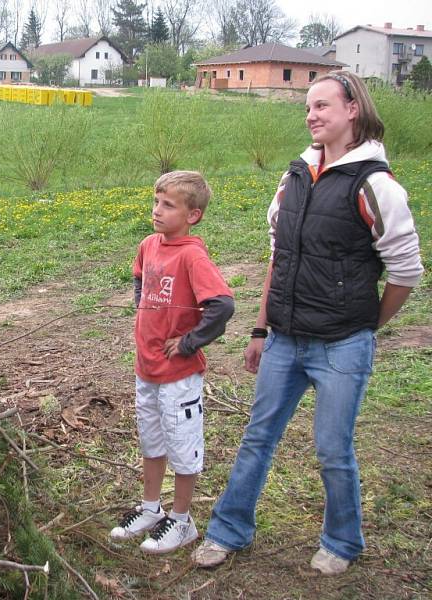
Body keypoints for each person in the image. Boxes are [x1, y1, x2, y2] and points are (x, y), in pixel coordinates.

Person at [191, 71, 423, 574]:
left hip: (342, 345)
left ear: (352, 109)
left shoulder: (376, 186)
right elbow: (279, 256)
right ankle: (228, 530)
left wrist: (367, 325)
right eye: (308, 108)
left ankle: (342, 541)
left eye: (322, 106)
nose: (312, 115)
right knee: (257, 436)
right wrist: (259, 329)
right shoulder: (294, 176)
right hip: (284, 340)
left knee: (332, 450)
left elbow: (405, 270)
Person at [110, 171, 234, 553]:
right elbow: (138, 277)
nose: (157, 211)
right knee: (151, 440)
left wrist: (188, 342)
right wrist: (143, 306)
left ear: (192, 215)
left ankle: (182, 520)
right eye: (156, 202)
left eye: (168, 205)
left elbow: (223, 305)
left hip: (178, 375)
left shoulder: (192, 255)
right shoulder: (149, 245)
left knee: (182, 446)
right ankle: (151, 508)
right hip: (146, 368)